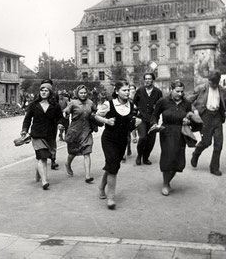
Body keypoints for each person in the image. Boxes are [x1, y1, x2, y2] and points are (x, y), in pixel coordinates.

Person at [151, 80, 201, 196]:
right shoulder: (163, 101)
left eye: (182, 91)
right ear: (170, 90)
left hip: (181, 132)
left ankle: (168, 181)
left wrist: (188, 120)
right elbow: (154, 116)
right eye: (177, 91)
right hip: (166, 132)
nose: (180, 94)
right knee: (168, 158)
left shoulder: (186, 103)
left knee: (178, 160)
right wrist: (154, 124)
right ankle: (165, 184)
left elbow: (190, 115)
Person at [95, 80, 140, 209]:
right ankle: (111, 198)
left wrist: (138, 121)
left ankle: (101, 187)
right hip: (109, 139)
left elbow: (137, 118)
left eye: (128, 90)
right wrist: (106, 120)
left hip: (122, 140)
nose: (127, 92)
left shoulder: (132, 106)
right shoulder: (108, 104)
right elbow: (96, 116)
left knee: (112, 166)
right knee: (113, 166)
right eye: (124, 90)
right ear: (116, 91)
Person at [187, 70, 226, 176]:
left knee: (218, 144)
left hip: (217, 117)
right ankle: (196, 153)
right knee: (206, 142)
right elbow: (188, 101)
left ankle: (214, 168)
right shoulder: (201, 88)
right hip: (205, 115)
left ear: (219, 81)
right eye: (211, 82)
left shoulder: (223, 90)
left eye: (215, 83)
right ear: (208, 80)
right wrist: (195, 111)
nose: (213, 84)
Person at [21, 82, 63, 190]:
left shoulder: (55, 106)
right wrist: (24, 130)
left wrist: (60, 124)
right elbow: (27, 119)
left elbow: (60, 118)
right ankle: (44, 181)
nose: (44, 92)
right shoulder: (34, 105)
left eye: (46, 90)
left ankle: (38, 171)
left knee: (45, 156)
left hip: (50, 134)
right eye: (42, 90)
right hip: (37, 134)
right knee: (42, 157)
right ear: (39, 92)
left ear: (50, 92)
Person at [64, 85, 97, 183]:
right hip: (74, 132)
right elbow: (66, 111)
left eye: (85, 93)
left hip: (86, 131)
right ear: (77, 93)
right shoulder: (73, 103)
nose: (83, 95)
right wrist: (65, 114)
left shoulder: (90, 103)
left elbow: (95, 111)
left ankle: (87, 176)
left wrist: (95, 115)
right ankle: (68, 164)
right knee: (72, 153)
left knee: (87, 153)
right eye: (81, 93)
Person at [133, 73, 163, 166]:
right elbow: (134, 103)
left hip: (153, 119)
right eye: (146, 79)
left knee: (150, 140)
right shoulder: (140, 91)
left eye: (149, 79)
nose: (147, 81)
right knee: (142, 138)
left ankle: (146, 157)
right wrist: (136, 112)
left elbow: (161, 105)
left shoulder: (158, 92)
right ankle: (139, 156)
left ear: (153, 80)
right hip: (141, 118)